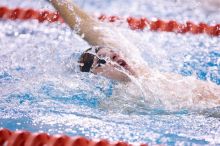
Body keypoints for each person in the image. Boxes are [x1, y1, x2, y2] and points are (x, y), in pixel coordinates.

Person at [51, 0, 220, 109]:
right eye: (102, 63)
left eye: (110, 53)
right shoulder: (125, 99)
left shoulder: (134, 58)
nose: (112, 57)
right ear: (99, 78)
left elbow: (88, 26)